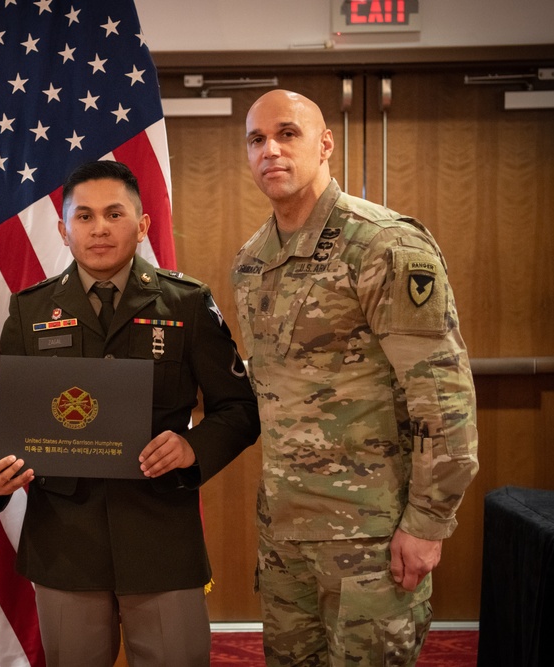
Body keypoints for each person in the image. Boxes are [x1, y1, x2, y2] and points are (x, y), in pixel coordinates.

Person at [0, 160, 261, 667]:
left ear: (142, 225)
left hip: (160, 536)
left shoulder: (186, 304)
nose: (99, 228)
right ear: (63, 229)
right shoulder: (29, 310)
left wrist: (193, 447)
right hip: (65, 541)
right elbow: (0, 418)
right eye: (83, 216)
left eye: (114, 213)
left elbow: (238, 409)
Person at [232, 89, 479, 666]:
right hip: (285, 534)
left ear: (325, 144)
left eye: (287, 134)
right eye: (257, 139)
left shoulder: (384, 244)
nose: (270, 149)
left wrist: (428, 521)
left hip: (372, 538)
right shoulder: (252, 259)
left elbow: (442, 397)